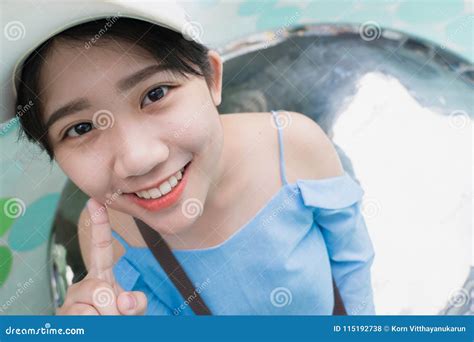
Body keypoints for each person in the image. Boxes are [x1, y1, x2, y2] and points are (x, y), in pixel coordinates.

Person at [5, 0, 375, 315]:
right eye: (81, 128)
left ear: (212, 78)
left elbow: (351, 259)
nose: (137, 159)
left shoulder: (294, 146)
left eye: (155, 94)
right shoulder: (108, 233)